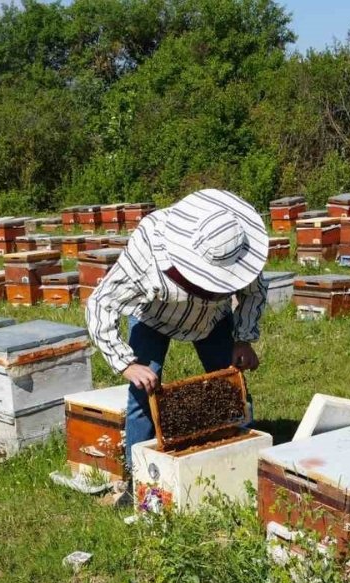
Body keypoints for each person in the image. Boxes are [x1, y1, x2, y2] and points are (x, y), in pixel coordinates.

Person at [85, 188, 269, 475]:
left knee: (233, 390)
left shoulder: (236, 246)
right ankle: (140, 480)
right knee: (142, 398)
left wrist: (243, 339)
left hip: (212, 320)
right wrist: (127, 364)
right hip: (153, 317)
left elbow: (255, 292)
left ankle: (246, 471)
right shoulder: (149, 250)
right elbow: (101, 303)